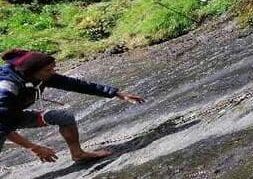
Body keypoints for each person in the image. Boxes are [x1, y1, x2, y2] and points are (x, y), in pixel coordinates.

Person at [0, 49, 145, 163]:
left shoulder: (39, 75)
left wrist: (116, 93)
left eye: (53, 68)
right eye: (49, 70)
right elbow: (3, 126)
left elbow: (76, 85)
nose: (53, 72)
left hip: (13, 114)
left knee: (64, 117)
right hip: (2, 119)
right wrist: (35, 148)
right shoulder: (7, 86)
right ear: (32, 72)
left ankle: (78, 154)